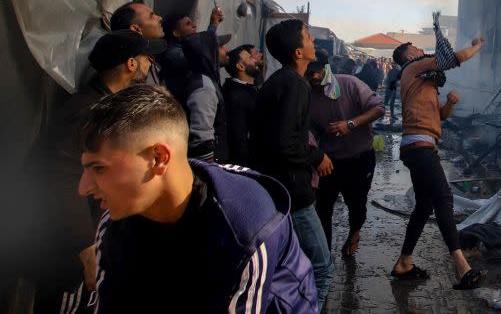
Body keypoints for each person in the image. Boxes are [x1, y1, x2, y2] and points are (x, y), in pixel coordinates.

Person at [77, 84, 317, 313]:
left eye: (98, 168)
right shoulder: (114, 224)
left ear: (158, 158)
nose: (83, 187)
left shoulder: (244, 228)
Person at [25, 30, 165, 313]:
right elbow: (62, 179)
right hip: (71, 256)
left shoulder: (106, 107)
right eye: (145, 57)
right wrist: (86, 248)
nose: (151, 64)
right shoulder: (88, 111)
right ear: (131, 64)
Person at [389, 12, 486, 290]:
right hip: (419, 146)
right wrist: (477, 45)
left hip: (419, 144)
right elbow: (454, 58)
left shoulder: (424, 80)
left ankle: (404, 262)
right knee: (444, 196)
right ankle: (461, 267)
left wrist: (451, 104)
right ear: (408, 56)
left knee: (424, 205)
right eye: (416, 49)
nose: (422, 50)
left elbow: (439, 116)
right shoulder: (413, 67)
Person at [250, 19, 334, 310]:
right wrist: (317, 156)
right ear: (299, 52)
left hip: (276, 188)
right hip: (292, 192)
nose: (314, 43)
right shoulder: (294, 85)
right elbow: (285, 143)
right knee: (322, 268)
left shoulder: (282, 82)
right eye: (309, 38)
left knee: (288, 267)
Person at [305, 52, 384, 256]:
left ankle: (354, 233)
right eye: (309, 72)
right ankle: (324, 257)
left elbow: (378, 108)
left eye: (317, 71)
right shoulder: (307, 95)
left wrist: (350, 124)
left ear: (327, 68)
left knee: (357, 206)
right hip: (329, 161)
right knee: (323, 209)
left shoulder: (349, 83)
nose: (314, 77)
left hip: (360, 158)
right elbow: (308, 129)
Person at [168, 30, 232, 162]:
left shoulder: (203, 80)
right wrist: (211, 172)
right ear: (208, 53)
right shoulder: (204, 88)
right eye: (220, 46)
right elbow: (201, 141)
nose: (226, 50)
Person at [158, 6, 224, 85]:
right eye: (188, 24)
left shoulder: (184, 45)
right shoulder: (173, 53)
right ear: (176, 33)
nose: (194, 26)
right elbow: (201, 57)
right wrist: (213, 25)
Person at [223, 45, 262, 167]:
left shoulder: (250, 90)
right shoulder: (236, 96)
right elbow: (239, 136)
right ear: (240, 66)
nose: (255, 60)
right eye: (250, 58)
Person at [109, 2, 165, 85]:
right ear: (136, 29)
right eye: (151, 16)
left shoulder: (149, 58)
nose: (160, 18)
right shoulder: (131, 74)